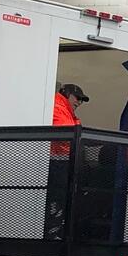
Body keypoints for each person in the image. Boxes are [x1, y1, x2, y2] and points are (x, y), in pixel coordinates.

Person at [46, 84, 88, 237]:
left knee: (60, 201)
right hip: (56, 164)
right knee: (55, 202)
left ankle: (55, 234)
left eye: (81, 101)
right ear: (67, 94)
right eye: (78, 98)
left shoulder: (65, 110)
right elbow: (65, 133)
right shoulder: (57, 105)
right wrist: (79, 130)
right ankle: (52, 236)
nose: (79, 103)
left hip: (60, 163)